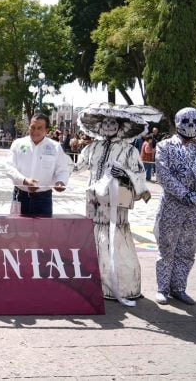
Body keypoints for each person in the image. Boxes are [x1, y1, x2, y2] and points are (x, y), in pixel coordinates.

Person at [75, 103, 151, 306]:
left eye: (113, 123)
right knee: (94, 240)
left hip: (116, 206)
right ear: (100, 126)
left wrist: (125, 175)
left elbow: (139, 175)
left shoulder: (129, 151)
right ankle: (95, 284)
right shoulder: (92, 148)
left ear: (120, 126)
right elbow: (76, 167)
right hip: (94, 203)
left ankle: (122, 286)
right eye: (105, 122)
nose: (108, 126)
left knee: (116, 240)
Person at [154, 107, 196, 305]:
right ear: (177, 122)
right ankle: (163, 288)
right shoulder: (165, 146)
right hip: (172, 205)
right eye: (186, 121)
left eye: (195, 122)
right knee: (167, 246)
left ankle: (179, 288)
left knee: (187, 248)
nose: (191, 126)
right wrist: (184, 194)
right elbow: (163, 174)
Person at [4, 113, 71, 217]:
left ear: (47, 130)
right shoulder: (18, 144)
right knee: (17, 231)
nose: (35, 131)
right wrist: (24, 181)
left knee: (43, 232)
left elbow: (62, 170)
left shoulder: (55, 147)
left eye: (39, 128)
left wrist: (60, 182)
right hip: (20, 197)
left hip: (43, 200)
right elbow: (9, 167)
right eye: (32, 127)